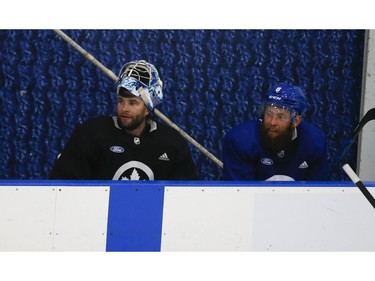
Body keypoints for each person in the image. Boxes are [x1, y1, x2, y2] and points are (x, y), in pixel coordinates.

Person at [49, 60, 196, 180]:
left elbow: (186, 197)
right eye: (120, 101)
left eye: (133, 103)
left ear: (147, 109)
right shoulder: (90, 134)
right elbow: (61, 187)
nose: (124, 108)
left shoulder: (172, 143)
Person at [222, 82, 329, 181]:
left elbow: (317, 194)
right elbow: (241, 194)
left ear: (296, 121)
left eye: (281, 116)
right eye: (269, 113)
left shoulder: (315, 142)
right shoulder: (240, 140)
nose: (272, 122)